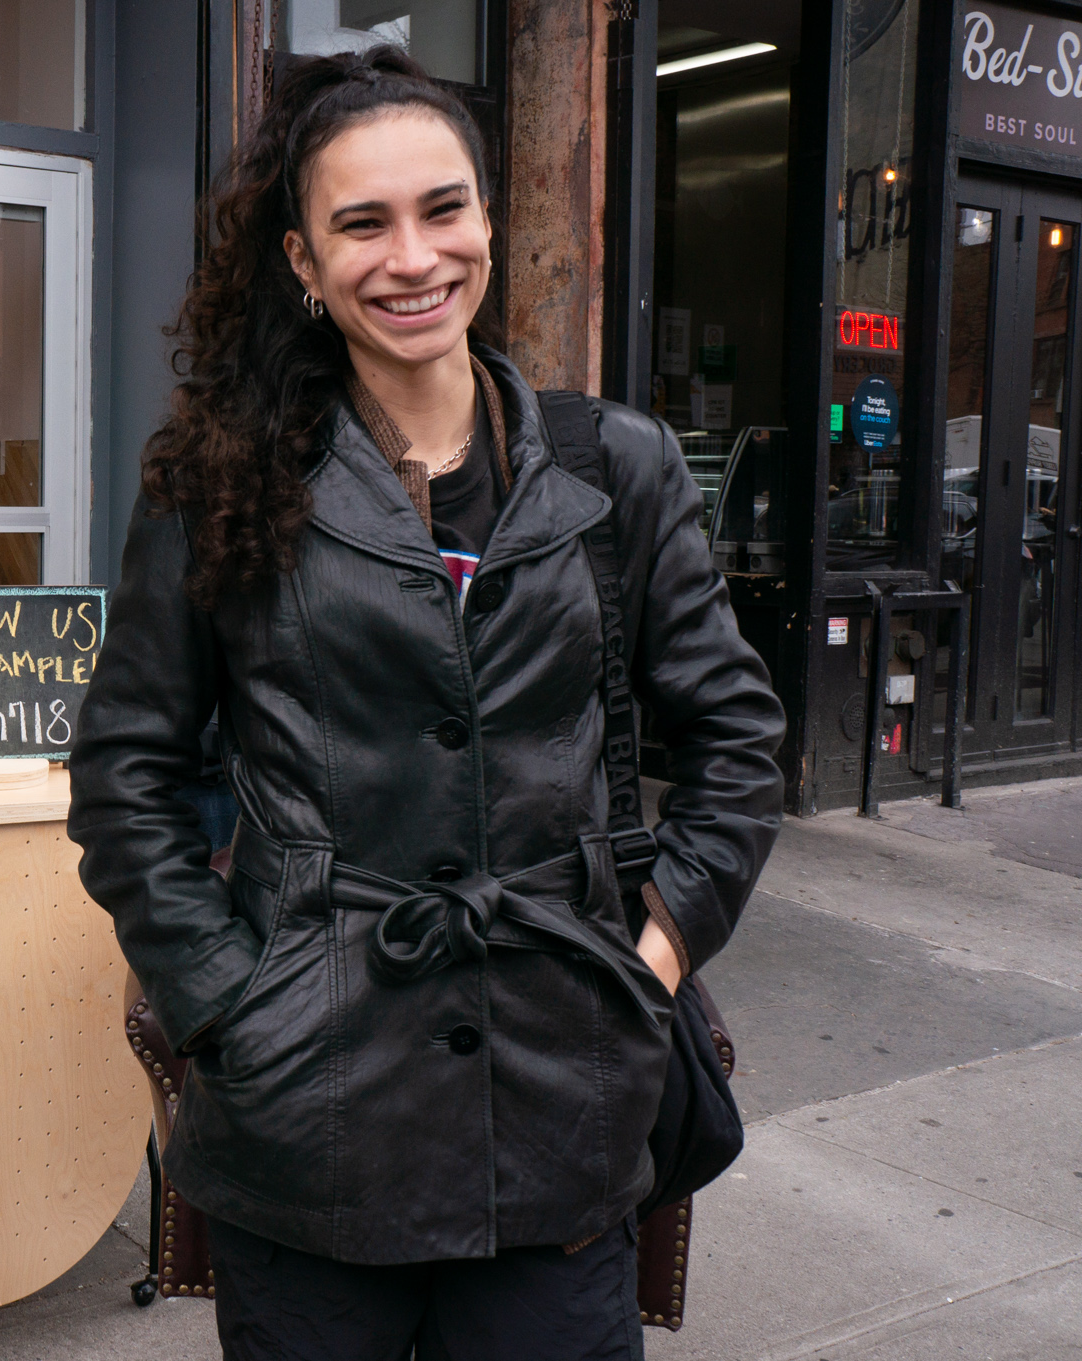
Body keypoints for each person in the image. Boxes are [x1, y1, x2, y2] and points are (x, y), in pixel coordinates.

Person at [67, 46, 785, 1361]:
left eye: (443, 209)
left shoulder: (612, 467)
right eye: (363, 223)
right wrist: (229, 999)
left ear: (489, 223)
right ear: (301, 259)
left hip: (562, 1106)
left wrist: (653, 961)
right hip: (310, 1113)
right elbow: (125, 775)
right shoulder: (222, 481)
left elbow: (737, 742)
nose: (413, 256)